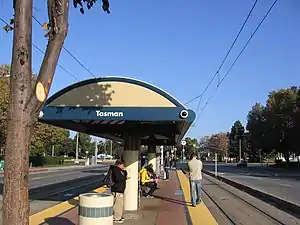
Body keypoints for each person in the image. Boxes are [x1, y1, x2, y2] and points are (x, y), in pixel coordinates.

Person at [111, 159, 127, 223]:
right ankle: (116, 218)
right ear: (119, 164)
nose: (123, 166)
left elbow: (124, 175)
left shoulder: (119, 170)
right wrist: (124, 177)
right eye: (123, 165)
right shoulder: (115, 170)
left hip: (119, 189)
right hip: (117, 189)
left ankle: (118, 216)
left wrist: (124, 172)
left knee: (119, 204)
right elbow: (119, 178)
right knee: (118, 204)